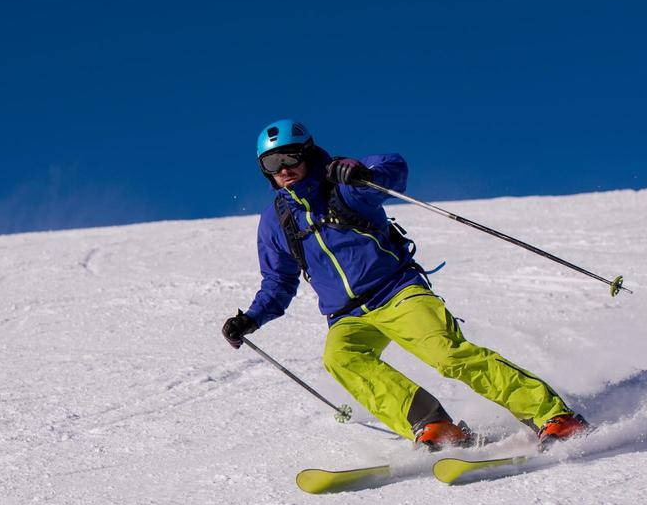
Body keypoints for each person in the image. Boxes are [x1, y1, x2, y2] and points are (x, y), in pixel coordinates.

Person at [221, 119, 588, 450]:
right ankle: (435, 426)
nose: (284, 169)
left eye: (290, 157)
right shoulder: (276, 221)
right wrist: (251, 319)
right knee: (341, 359)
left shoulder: (345, 186)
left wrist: (361, 171)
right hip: (347, 316)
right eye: (272, 163)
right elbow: (278, 281)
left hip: (396, 292)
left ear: (309, 154)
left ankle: (552, 414)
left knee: (446, 354)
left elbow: (393, 167)